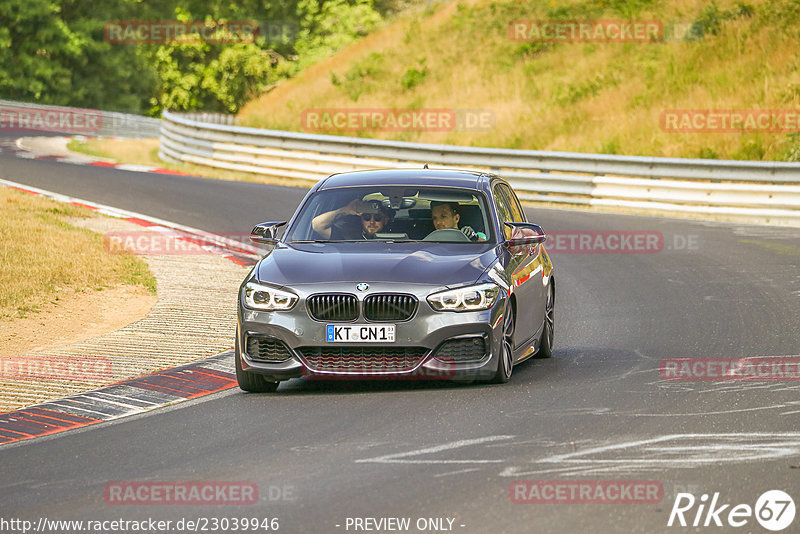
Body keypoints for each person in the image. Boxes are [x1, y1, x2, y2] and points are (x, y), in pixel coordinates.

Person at [312, 198, 392, 240]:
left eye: (377, 218)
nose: (371, 222)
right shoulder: (348, 236)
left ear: (385, 220)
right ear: (361, 219)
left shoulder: (398, 238)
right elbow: (317, 225)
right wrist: (345, 210)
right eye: (367, 217)